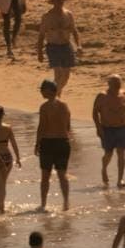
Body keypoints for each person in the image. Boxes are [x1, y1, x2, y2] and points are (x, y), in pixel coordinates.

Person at [34, 80, 72, 212]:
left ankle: (43, 204)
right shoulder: (65, 106)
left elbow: (42, 126)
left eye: (42, 89)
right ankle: (66, 203)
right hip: (63, 142)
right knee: (62, 174)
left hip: (49, 142)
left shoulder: (45, 107)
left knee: (45, 175)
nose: (41, 92)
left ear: (50, 90)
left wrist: (37, 143)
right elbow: (68, 126)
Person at [93, 74, 125, 188]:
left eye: (119, 83)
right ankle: (104, 169)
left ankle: (120, 179)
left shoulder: (123, 94)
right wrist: (98, 128)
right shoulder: (102, 96)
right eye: (115, 83)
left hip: (121, 128)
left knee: (121, 153)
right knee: (108, 153)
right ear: (109, 84)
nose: (118, 85)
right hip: (107, 129)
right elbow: (94, 113)